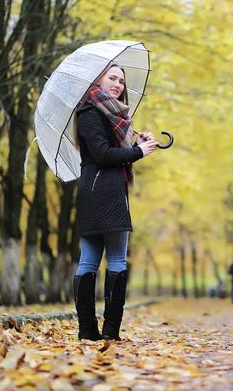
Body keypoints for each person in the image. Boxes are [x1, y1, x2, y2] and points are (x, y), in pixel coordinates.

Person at [72, 63, 159, 341]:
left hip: (105, 191)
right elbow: (102, 154)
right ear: (97, 80)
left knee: (99, 261)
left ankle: (106, 331)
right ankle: (91, 329)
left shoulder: (115, 118)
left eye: (121, 80)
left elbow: (114, 148)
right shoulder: (88, 112)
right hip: (101, 193)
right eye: (112, 78)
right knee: (100, 260)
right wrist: (138, 152)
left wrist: (138, 140)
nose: (118, 84)